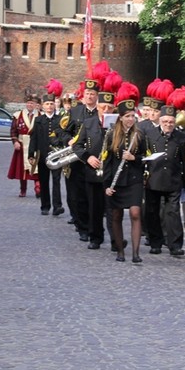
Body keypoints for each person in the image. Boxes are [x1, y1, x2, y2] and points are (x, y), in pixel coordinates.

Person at [72, 90, 116, 250]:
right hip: (93, 171)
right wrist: (87, 157)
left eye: (109, 108)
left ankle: (115, 240)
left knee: (112, 209)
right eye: (103, 107)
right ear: (97, 106)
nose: (106, 110)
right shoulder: (88, 123)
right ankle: (95, 237)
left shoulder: (118, 124)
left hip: (112, 172)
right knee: (94, 207)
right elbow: (76, 145)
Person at [144, 105, 185, 256]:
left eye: (171, 122)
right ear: (160, 120)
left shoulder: (181, 137)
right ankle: (155, 242)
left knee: (173, 214)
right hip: (153, 180)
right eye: (165, 121)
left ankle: (175, 244)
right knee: (153, 212)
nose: (168, 124)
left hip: (173, 180)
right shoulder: (150, 135)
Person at [104, 99, 146, 263]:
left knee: (135, 212)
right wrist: (106, 185)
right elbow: (106, 161)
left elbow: (146, 158)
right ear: (120, 117)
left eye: (133, 116)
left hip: (134, 179)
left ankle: (136, 253)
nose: (130, 119)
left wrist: (134, 157)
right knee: (116, 214)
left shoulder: (140, 135)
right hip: (117, 180)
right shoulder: (111, 135)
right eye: (127, 116)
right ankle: (120, 251)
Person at [63, 80, 100, 241]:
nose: (89, 97)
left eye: (92, 94)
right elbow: (62, 132)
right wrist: (69, 140)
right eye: (87, 94)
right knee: (78, 196)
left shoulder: (101, 112)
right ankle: (83, 227)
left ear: (97, 96)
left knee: (94, 197)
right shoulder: (76, 111)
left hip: (96, 160)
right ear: (83, 96)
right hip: (77, 159)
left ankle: (94, 228)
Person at [29, 95, 67, 216]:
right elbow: (33, 138)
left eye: (51, 104)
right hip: (42, 155)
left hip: (56, 155)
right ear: (42, 106)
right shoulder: (38, 120)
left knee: (56, 181)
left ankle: (57, 206)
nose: (49, 106)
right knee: (44, 181)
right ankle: (45, 206)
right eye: (47, 104)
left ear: (55, 105)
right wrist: (31, 154)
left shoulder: (60, 119)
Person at [8, 94, 40, 197]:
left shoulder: (40, 115)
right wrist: (15, 141)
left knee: (36, 167)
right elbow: (13, 131)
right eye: (28, 103)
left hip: (36, 145)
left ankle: (38, 188)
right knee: (22, 169)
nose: (30, 105)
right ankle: (23, 189)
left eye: (32, 103)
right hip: (22, 144)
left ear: (35, 104)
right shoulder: (18, 115)